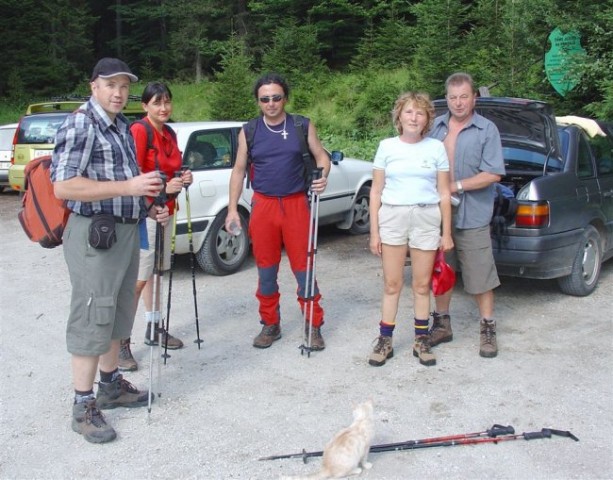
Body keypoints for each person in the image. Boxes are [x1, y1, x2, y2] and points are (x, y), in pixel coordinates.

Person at [51, 58, 169, 444]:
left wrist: (148, 204)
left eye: (123, 86)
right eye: (110, 85)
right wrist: (129, 188)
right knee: (92, 315)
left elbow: (127, 182)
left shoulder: (119, 125)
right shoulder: (81, 123)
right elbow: (64, 186)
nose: (118, 93)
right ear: (93, 87)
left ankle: (111, 384)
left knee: (119, 310)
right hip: (93, 236)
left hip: (125, 230)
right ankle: (82, 406)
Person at [226, 73, 330, 350]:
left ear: (285, 97)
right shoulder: (249, 130)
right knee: (266, 269)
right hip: (264, 205)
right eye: (264, 99)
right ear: (258, 101)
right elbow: (238, 171)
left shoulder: (301, 125)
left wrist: (323, 176)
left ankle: (313, 324)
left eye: (276, 97)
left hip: (297, 203)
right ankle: (270, 323)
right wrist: (233, 209)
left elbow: (321, 156)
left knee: (304, 268)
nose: (271, 103)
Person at [368, 92, 453, 368]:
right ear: (399, 117)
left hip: (426, 216)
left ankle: (421, 339)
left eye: (420, 113)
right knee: (392, 283)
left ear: (427, 118)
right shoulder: (386, 147)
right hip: (393, 215)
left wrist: (447, 232)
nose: (413, 117)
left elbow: (443, 192)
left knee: (422, 284)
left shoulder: (436, 148)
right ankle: (385, 339)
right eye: (408, 112)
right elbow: (376, 191)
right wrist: (374, 232)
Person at [428, 72, 506, 358]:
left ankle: (487, 328)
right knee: (441, 271)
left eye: (464, 97)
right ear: (446, 99)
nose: (458, 103)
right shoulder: (434, 127)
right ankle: (442, 324)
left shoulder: (487, 130)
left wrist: (455, 186)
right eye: (453, 97)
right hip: (436, 215)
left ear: (474, 97)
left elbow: (493, 173)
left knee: (480, 274)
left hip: (472, 215)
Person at [118, 82, 193, 371]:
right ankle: (122, 340)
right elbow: (132, 172)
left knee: (157, 275)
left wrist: (184, 177)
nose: (163, 108)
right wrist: (164, 185)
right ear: (146, 106)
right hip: (145, 214)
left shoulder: (169, 132)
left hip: (166, 211)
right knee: (138, 278)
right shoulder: (140, 130)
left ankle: (154, 327)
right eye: (157, 103)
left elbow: (175, 168)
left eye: (167, 102)